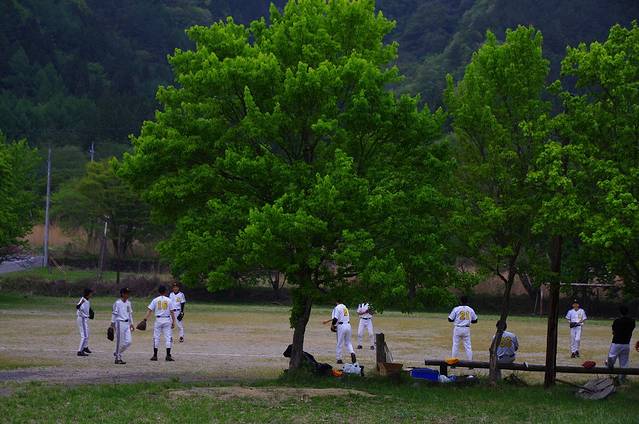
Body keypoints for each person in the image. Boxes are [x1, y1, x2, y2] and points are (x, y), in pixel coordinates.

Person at [141, 286, 176, 361]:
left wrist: (145, 319)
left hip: (158, 320)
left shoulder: (155, 300)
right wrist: (173, 321)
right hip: (167, 319)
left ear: (159, 292)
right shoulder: (169, 300)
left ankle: (155, 355)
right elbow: (172, 312)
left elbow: (149, 310)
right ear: (165, 291)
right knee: (168, 337)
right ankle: (168, 356)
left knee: (156, 337)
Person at [607, 305, 635, 382]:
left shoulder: (617, 321)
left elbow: (613, 332)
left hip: (616, 343)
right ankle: (622, 379)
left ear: (620, 312)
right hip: (626, 344)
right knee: (624, 363)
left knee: (611, 359)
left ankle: (610, 375)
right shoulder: (632, 321)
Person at [323, 300, 357, 364]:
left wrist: (333, 326)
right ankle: (352, 352)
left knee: (339, 343)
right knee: (348, 342)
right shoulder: (345, 307)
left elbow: (335, 319)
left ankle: (339, 359)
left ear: (337, 302)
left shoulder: (337, 308)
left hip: (341, 326)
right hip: (348, 325)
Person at [448, 295, 478, 360]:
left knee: (455, 345)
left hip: (457, 328)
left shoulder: (456, 309)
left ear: (460, 301)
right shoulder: (470, 309)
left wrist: (456, 319)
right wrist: (468, 320)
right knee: (468, 346)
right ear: (467, 301)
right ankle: (470, 362)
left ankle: (453, 361)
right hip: (466, 328)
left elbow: (450, 319)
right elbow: (475, 320)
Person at [111, 287, 134, 365]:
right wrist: (112, 324)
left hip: (127, 324)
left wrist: (131, 323)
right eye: (126, 293)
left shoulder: (128, 303)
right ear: (122, 294)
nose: (128, 295)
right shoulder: (117, 303)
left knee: (129, 341)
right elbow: (114, 314)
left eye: (128, 293)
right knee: (120, 342)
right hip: (119, 323)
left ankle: (117, 352)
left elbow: (130, 314)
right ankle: (117, 358)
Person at [76, 288, 94, 357]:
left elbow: (88, 308)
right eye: (90, 293)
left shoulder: (87, 300)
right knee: (84, 336)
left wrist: (91, 312)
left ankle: (85, 347)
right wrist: (81, 303)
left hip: (85, 319)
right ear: (88, 294)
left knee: (87, 333)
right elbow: (77, 306)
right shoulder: (83, 299)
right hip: (82, 319)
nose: (91, 294)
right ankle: (80, 351)